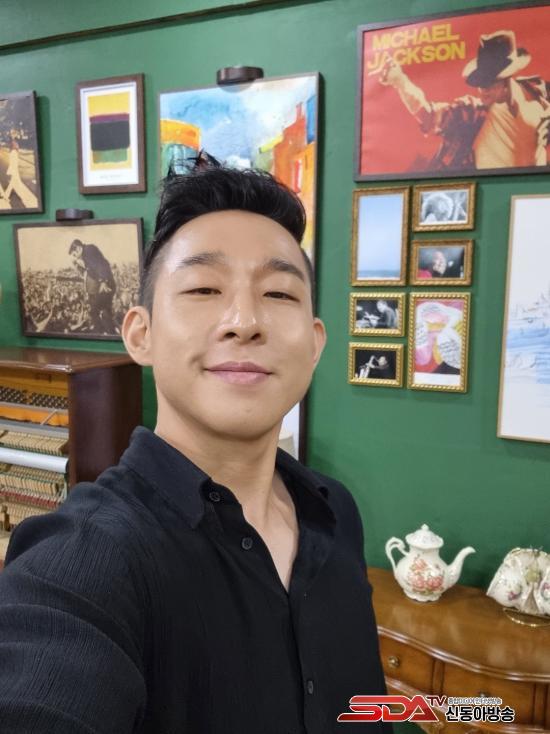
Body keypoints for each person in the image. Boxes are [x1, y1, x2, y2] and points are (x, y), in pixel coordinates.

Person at [0, 166, 390, 734]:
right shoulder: (87, 560)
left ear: (314, 344)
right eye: (204, 289)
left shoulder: (334, 510)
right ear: (141, 334)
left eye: (279, 293)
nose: (244, 322)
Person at [378, 30, 550, 171]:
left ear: (506, 80)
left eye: (488, 83)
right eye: (479, 83)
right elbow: (427, 114)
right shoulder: (471, 112)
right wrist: (400, 81)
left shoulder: (538, 94)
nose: (482, 90)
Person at [69, 238, 117, 333]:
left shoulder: (89, 250)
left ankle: (100, 333)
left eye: (74, 254)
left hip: (106, 285)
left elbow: (101, 265)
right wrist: (78, 266)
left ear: (78, 248)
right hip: (106, 284)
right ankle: (110, 333)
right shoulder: (86, 256)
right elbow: (92, 273)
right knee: (105, 312)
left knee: (94, 311)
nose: (76, 258)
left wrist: (103, 281)